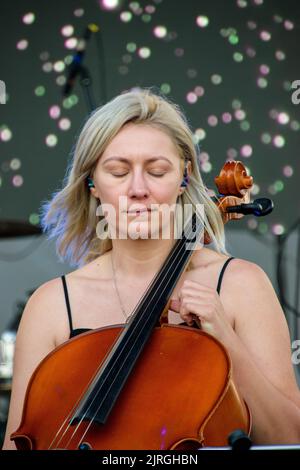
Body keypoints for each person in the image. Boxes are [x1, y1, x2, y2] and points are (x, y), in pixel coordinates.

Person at [3, 88, 300, 449]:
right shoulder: (51, 305)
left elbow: (289, 438)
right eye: (118, 171)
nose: (138, 188)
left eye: (157, 170)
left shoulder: (241, 286)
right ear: (93, 183)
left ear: (184, 177)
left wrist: (226, 339)